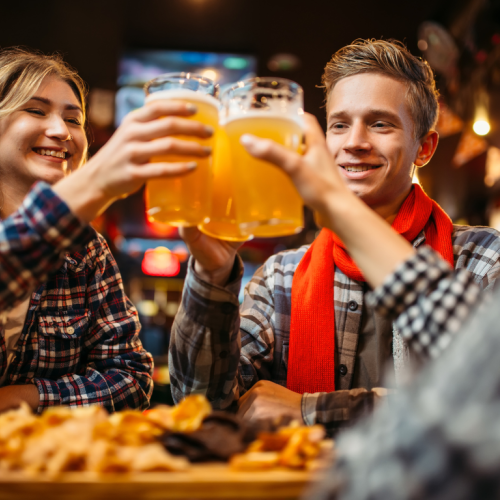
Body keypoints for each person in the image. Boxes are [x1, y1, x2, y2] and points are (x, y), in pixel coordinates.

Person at [169, 39, 500, 433]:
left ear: (424, 147)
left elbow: (486, 398)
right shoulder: (281, 277)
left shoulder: (483, 259)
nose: (354, 142)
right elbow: (202, 404)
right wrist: (212, 276)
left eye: (380, 123)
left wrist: (310, 410)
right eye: (340, 124)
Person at [0, 47, 213, 414]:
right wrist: (95, 184)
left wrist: (22, 398)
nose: (60, 131)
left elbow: (131, 378)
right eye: (36, 111)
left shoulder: (86, 249)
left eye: (73, 119)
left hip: (44, 466)